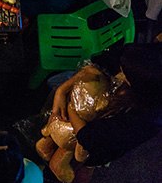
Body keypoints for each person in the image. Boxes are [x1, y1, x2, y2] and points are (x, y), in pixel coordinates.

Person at [50, 43, 162, 172]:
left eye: (124, 74)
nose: (120, 74)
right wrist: (62, 90)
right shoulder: (142, 54)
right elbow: (100, 62)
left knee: (77, 168)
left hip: (99, 143)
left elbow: (88, 138)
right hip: (95, 118)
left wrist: (72, 107)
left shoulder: (145, 120)